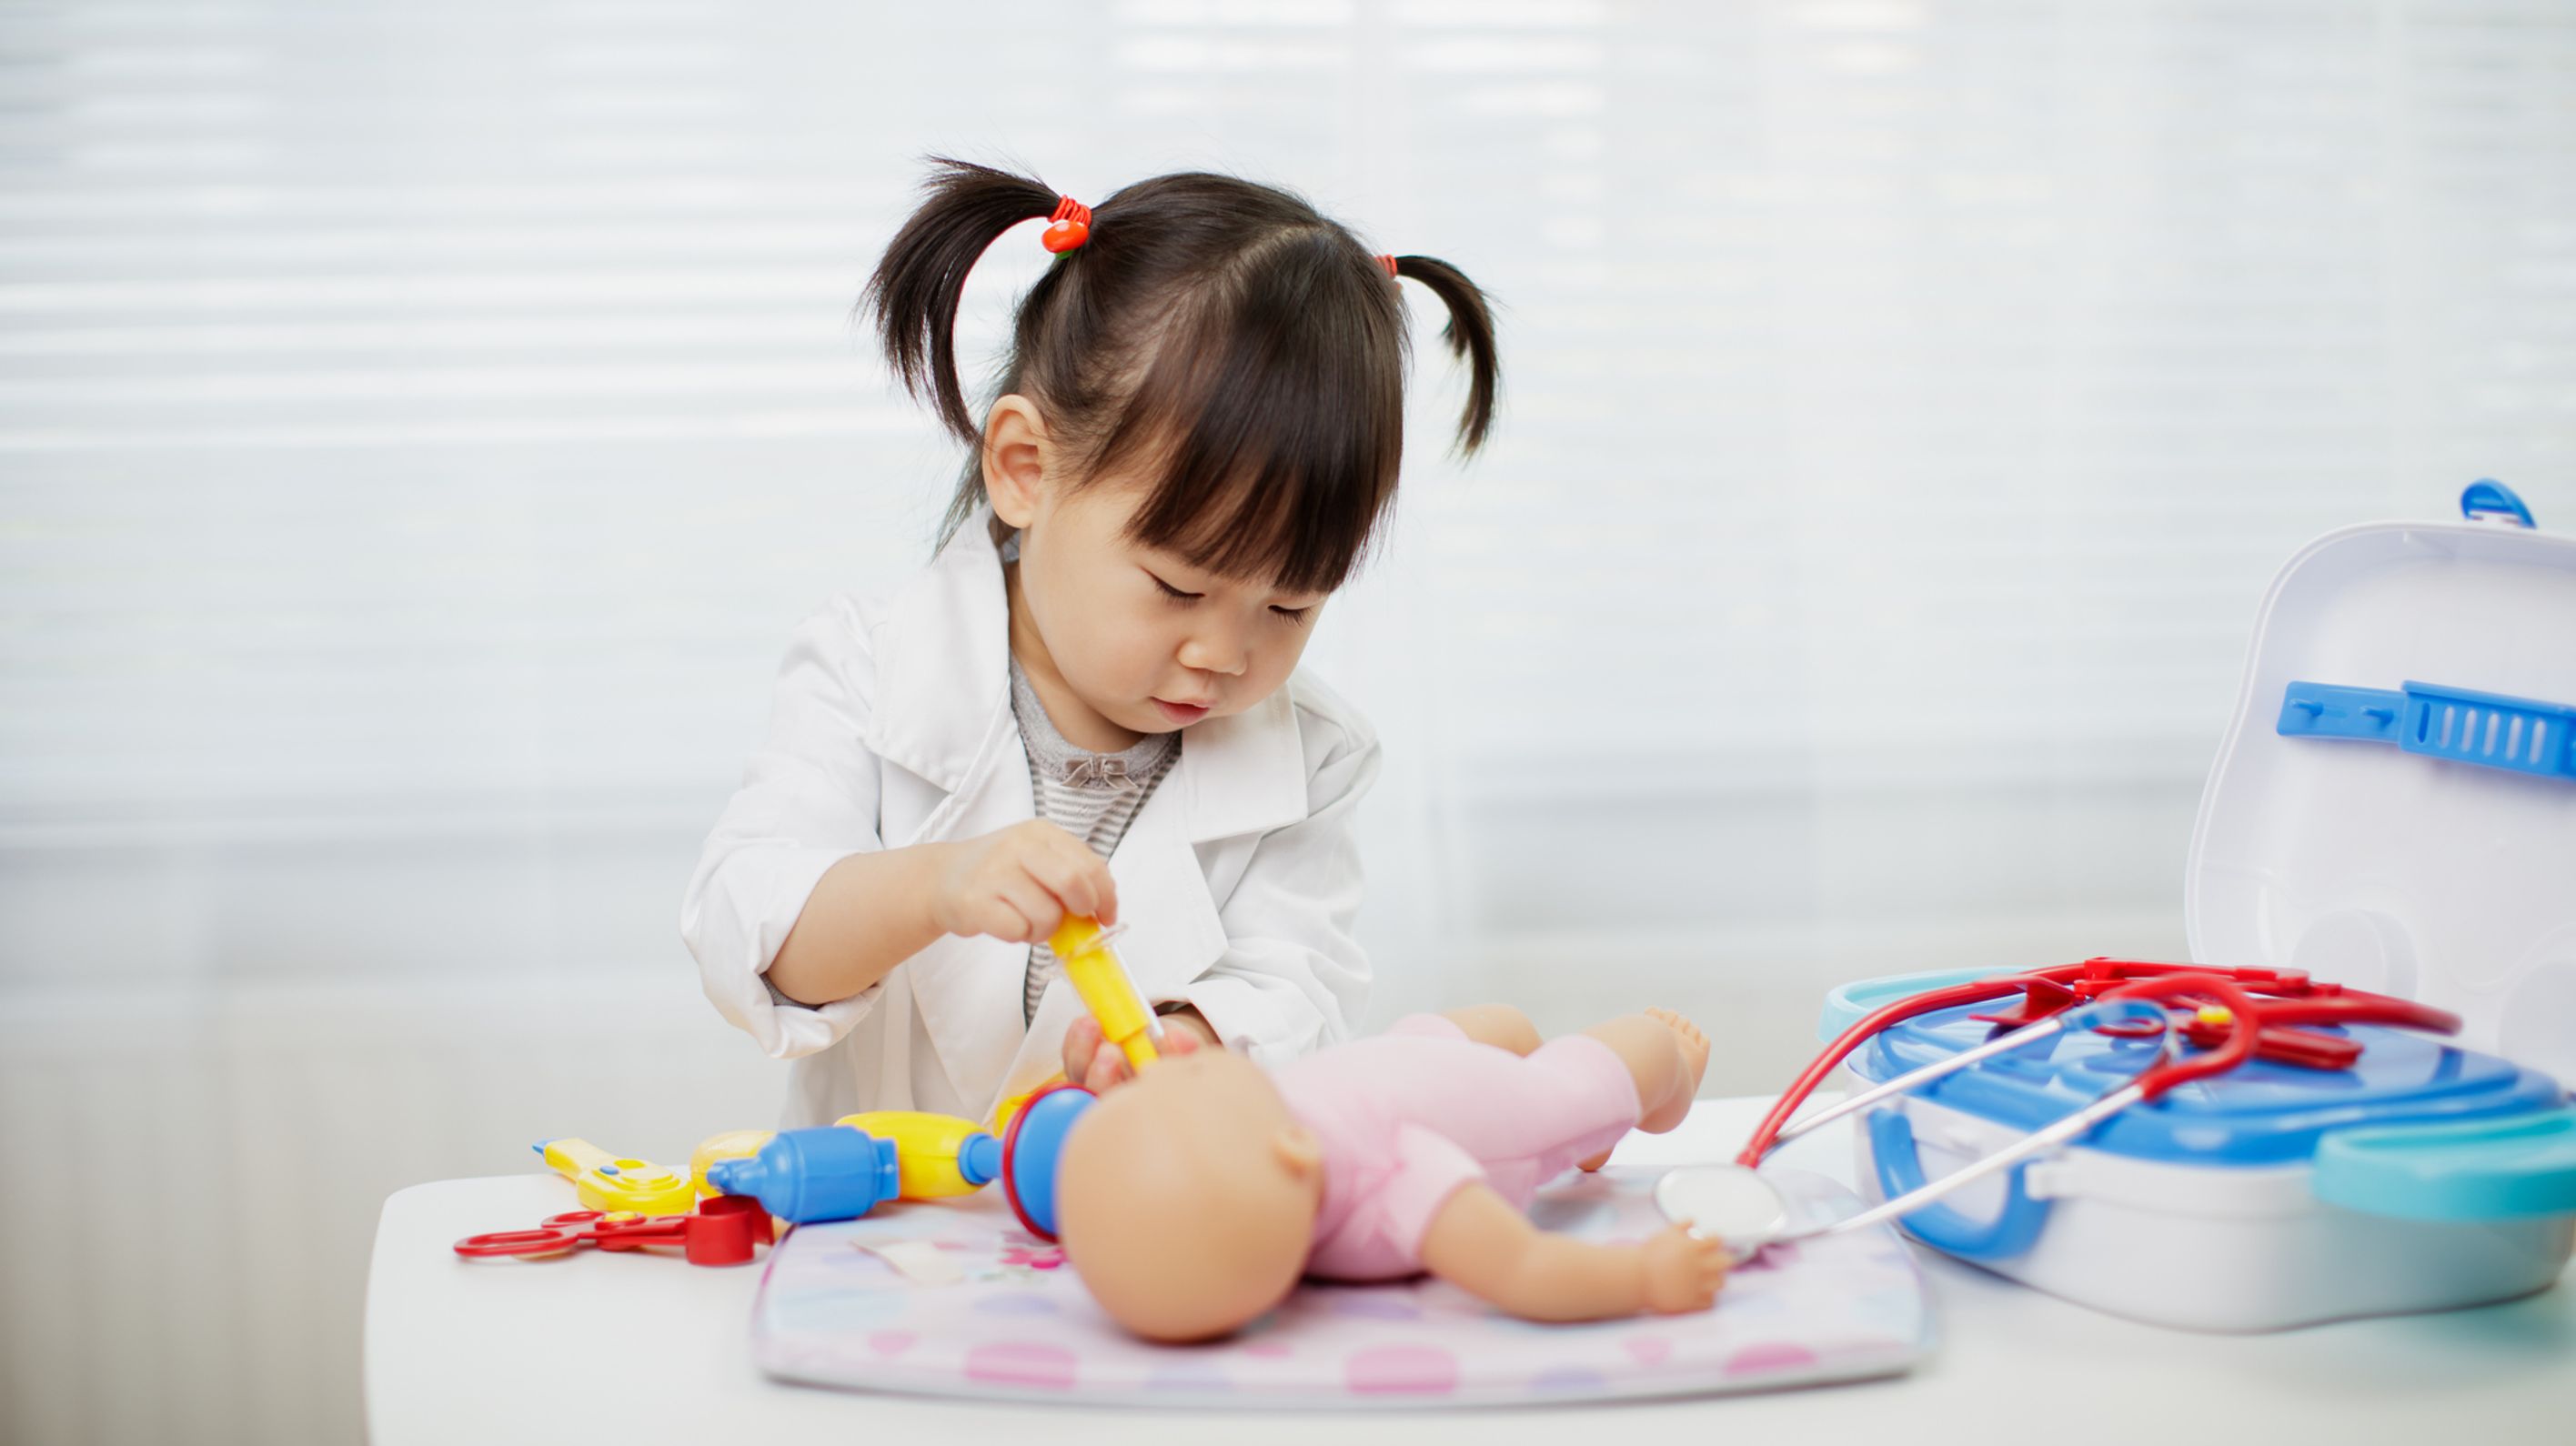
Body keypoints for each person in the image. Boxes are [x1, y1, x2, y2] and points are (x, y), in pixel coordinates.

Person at [681, 158, 1502, 1128]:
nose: (1224, 654)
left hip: (1138, 1241)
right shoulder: (868, 667)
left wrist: (1191, 1036)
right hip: (892, 1242)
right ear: (1026, 468)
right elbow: (749, 936)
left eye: (1290, 607)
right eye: (1179, 586)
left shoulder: (1315, 758)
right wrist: (935, 885)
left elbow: (1298, 990)